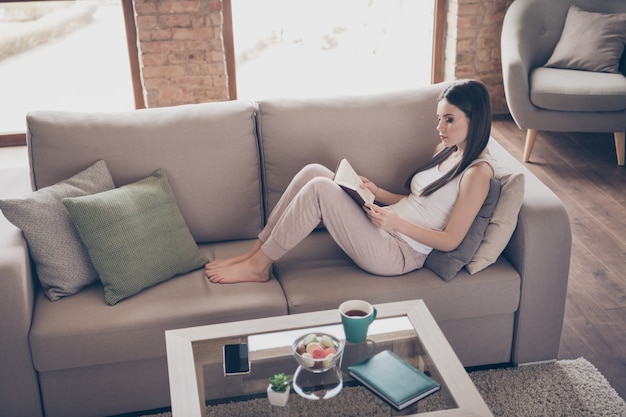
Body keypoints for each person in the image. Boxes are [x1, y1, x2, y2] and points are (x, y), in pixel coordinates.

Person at [205, 79, 495, 284]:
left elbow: (450, 240)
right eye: (439, 119)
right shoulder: (446, 151)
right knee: (314, 172)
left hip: (400, 253)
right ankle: (255, 254)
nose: (439, 128)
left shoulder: (477, 174)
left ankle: (259, 268)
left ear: (475, 119)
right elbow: (419, 201)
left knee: (320, 189)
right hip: (384, 227)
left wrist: (396, 224)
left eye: (449, 120)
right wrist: (377, 192)